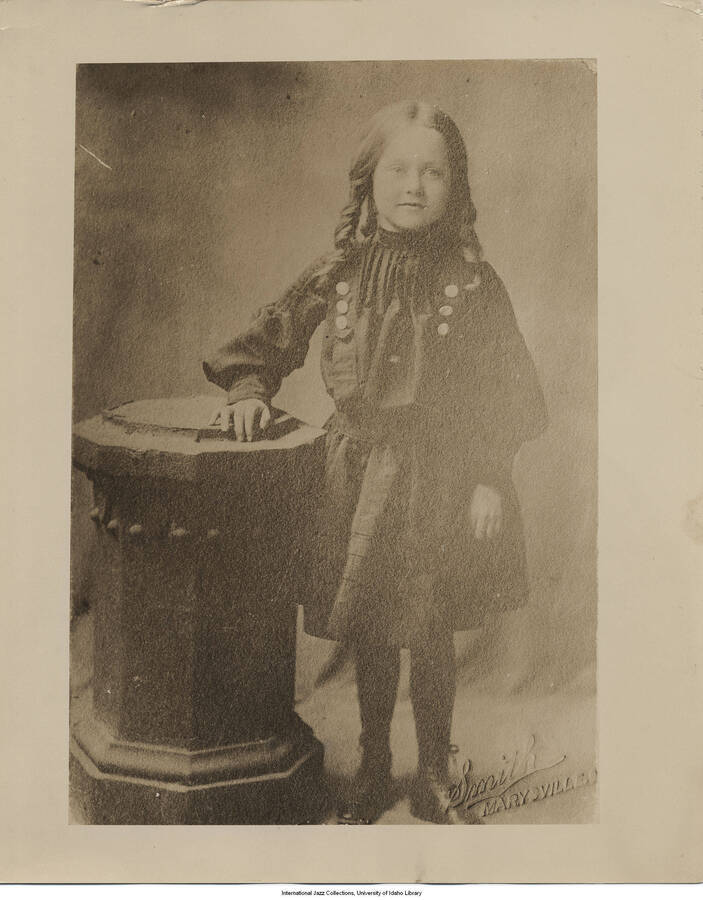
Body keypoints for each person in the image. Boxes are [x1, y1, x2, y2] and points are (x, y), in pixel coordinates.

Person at [203, 100, 548, 825]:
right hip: (356, 476)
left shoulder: (474, 283)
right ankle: (370, 768)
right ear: (369, 180)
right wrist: (246, 388)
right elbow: (264, 341)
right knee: (370, 629)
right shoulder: (338, 272)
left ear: (454, 186)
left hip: (444, 478)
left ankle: (432, 777)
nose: (413, 185)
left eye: (432, 171)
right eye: (398, 168)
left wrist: (487, 476)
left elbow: (505, 389)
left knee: (428, 630)